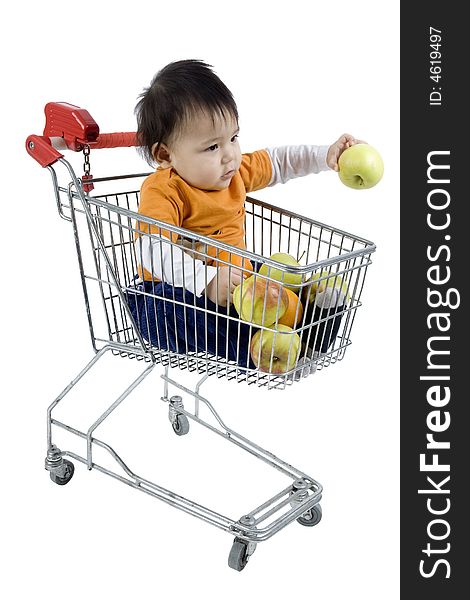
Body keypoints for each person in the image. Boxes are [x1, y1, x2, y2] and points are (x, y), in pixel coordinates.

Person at [128, 59, 358, 374]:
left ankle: (311, 334)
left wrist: (326, 155)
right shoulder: (164, 191)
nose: (230, 155)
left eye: (233, 138)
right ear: (166, 155)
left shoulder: (234, 172)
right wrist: (204, 280)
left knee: (276, 280)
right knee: (191, 312)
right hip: (169, 298)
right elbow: (149, 248)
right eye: (211, 147)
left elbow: (280, 161)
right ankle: (264, 353)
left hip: (235, 286)